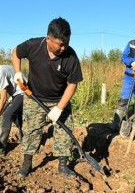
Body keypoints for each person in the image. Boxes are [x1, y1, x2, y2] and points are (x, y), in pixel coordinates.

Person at [12, 17, 83, 179]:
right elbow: (16, 52)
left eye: (66, 43)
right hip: (34, 97)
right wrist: (17, 71)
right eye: (60, 44)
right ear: (48, 39)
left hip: (59, 100)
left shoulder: (70, 56)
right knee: (31, 130)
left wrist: (59, 108)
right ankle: (27, 163)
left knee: (64, 131)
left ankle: (63, 166)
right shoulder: (33, 46)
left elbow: (72, 84)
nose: (64, 48)